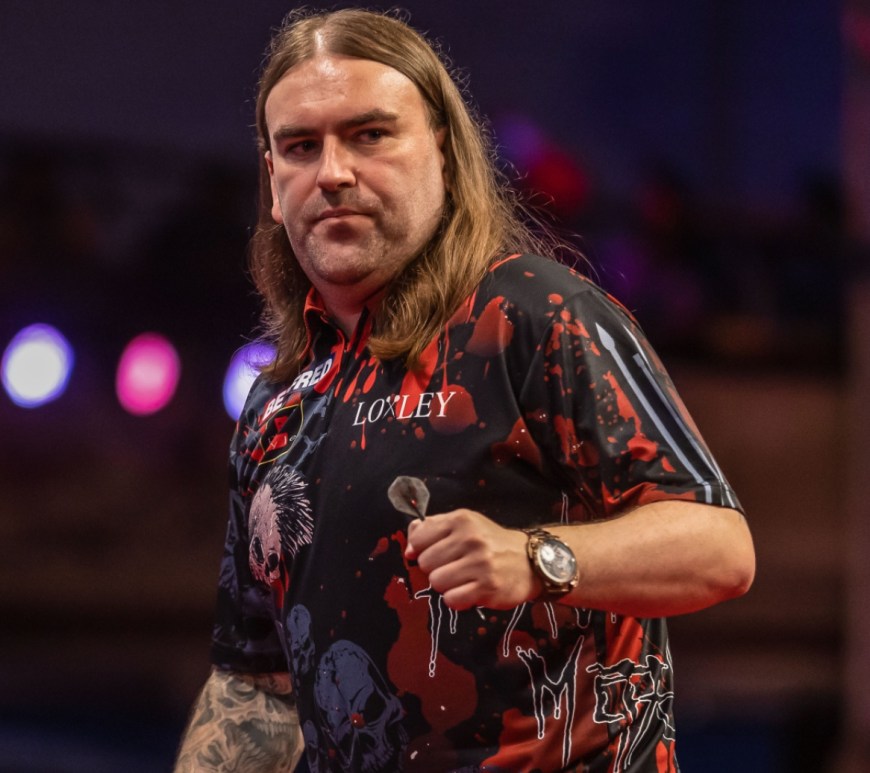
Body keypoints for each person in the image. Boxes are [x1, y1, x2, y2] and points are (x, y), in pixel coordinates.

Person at [174, 7, 755, 772]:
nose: (334, 172)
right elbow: (255, 687)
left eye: (370, 135)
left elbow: (719, 546)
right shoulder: (275, 404)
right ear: (273, 183)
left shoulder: (533, 316)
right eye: (301, 147)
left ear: (444, 154)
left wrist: (535, 557)